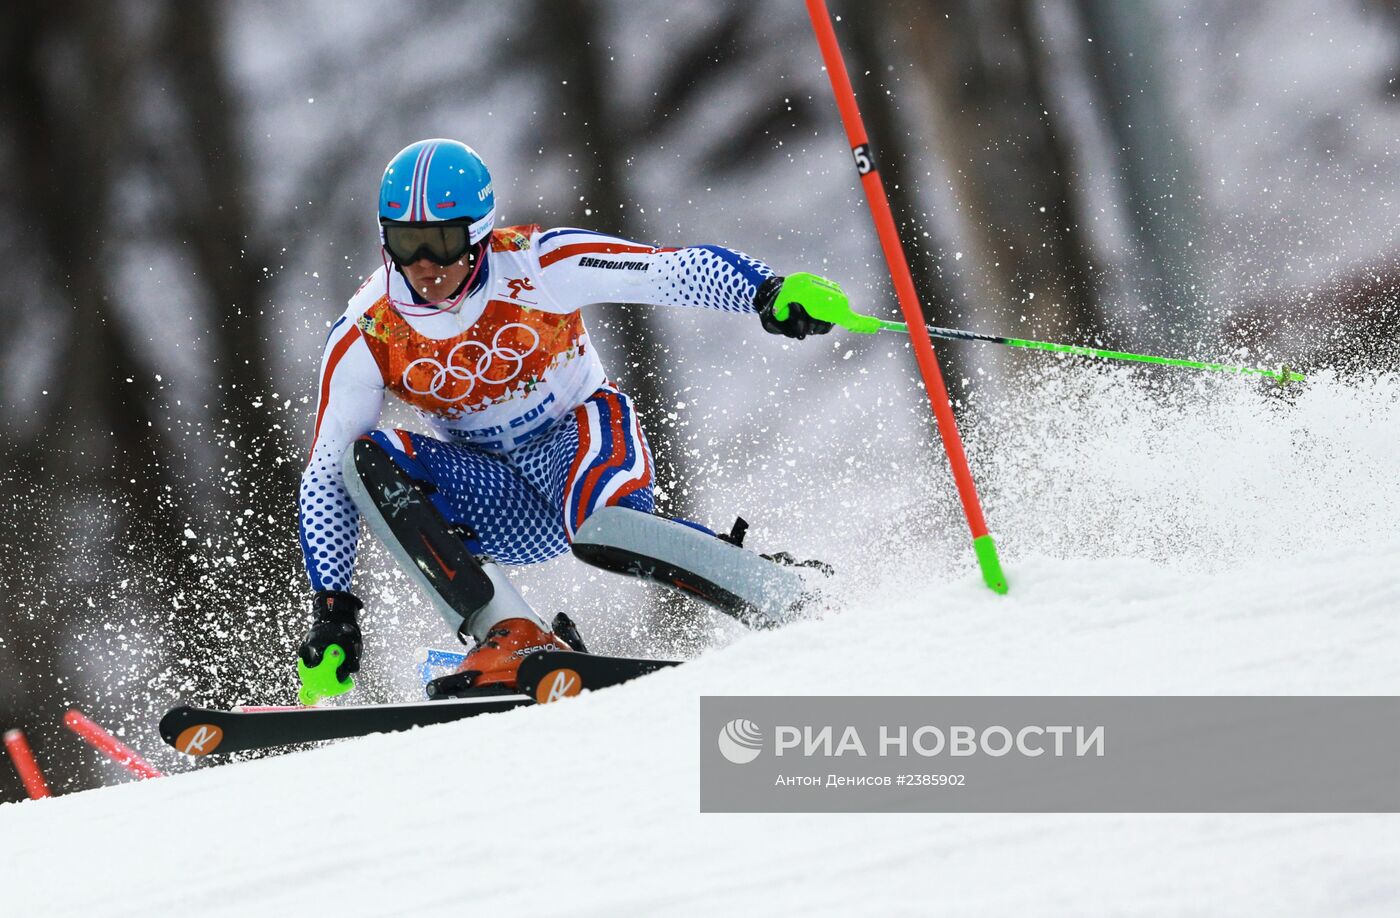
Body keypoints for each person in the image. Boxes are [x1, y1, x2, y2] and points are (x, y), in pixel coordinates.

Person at [296, 138, 843, 704]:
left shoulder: (537, 262)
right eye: (406, 243)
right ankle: (514, 636)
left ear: (479, 233)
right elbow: (323, 479)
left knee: (601, 527)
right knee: (362, 459)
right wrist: (334, 609)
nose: (423, 265)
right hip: (497, 492)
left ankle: (781, 589)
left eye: (441, 241)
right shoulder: (367, 330)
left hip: (576, 435)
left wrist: (765, 291)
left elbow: (667, 270)